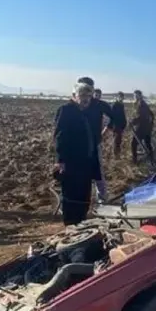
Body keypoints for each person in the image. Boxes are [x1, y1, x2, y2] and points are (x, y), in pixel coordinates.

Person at [54, 81, 97, 225]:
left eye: (89, 96)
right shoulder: (66, 110)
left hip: (85, 163)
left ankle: (81, 223)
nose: (86, 99)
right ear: (74, 95)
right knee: (72, 196)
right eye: (82, 95)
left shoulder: (83, 112)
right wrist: (61, 161)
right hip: (72, 163)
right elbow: (60, 136)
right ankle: (71, 227)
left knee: (84, 196)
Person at [79, 79, 113, 202]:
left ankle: (102, 199)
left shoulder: (99, 104)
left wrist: (106, 130)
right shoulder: (74, 104)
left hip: (93, 144)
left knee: (97, 172)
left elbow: (115, 118)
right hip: (76, 145)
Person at [130, 90, 155, 164]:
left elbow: (142, 117)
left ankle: (135, 161)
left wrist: (132, 122)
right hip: (147, 127)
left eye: (137, 95)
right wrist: (151, 124)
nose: (135, 97)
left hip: (142, 128)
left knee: (133, 143)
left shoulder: (142, 105)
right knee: (148, 143)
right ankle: (151, 159)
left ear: (140, 96)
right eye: (134, 95)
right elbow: (152, 114)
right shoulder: (141, 104)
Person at [105, 91, 127, 158]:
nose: (121, 98)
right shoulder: (115, 105)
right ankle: (116, 156)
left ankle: (117, 154)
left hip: (120, 126)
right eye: (120, 97)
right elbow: (111, 116)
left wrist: (124, 124)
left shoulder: (121, 105)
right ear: (117, 97)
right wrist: (110, 126)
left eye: (122, 97)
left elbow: (123, 116)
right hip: (116, 126)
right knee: (116, 141)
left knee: (119, 141)